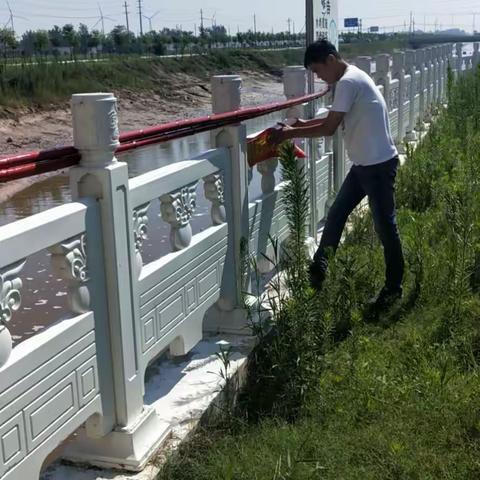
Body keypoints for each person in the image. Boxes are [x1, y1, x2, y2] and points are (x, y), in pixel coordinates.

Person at [272, 39, 404, 308]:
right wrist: (303, 123)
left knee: (385, 227)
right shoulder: (352, 77)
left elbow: (330, 127)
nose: (320, 77)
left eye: (319, 71)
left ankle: (393, 289)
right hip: (364, 166)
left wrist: (291, 133)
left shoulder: (346, 82)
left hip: (377, 167)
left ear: (331, 59)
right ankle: (317, 272)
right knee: (336, 214)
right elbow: (335, 118)